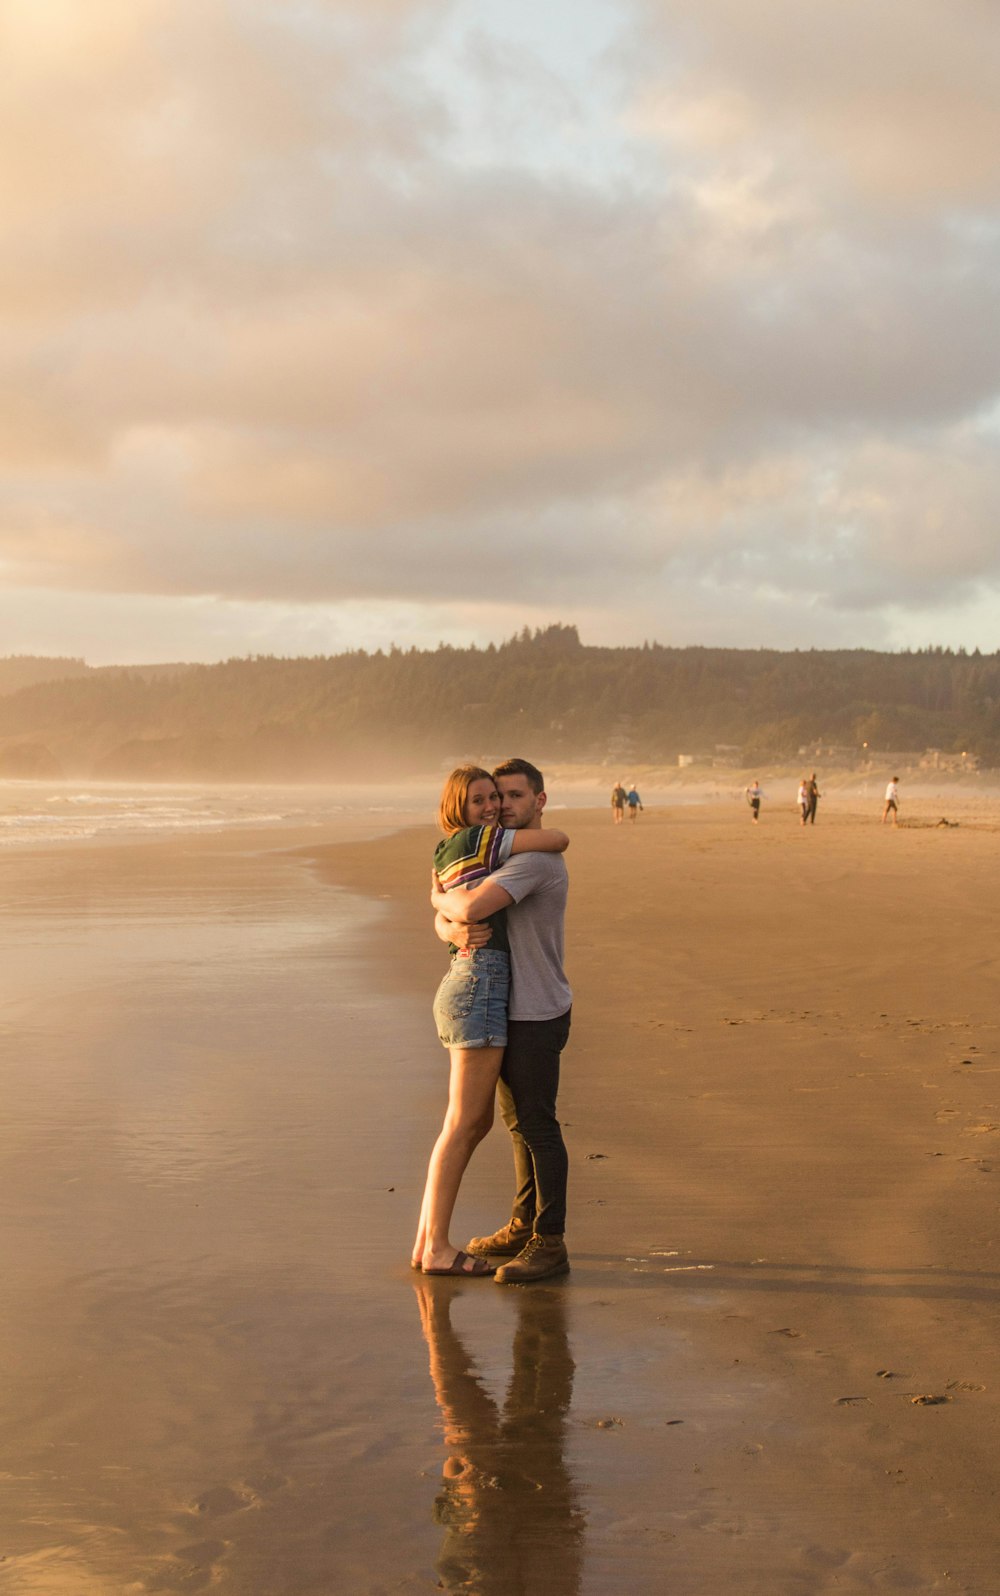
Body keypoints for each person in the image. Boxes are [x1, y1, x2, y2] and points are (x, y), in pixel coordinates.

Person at [412, 766, 569, 1277]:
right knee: (507, 1124)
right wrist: (445, 924)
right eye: (494, 797)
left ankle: (548, 1241)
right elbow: (460, 921)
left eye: (512, 795)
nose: (501, 805)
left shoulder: (533, 861)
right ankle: (520, 1226)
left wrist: (438, 901)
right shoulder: (495, 853)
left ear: (538, 800)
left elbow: (472, 905)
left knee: (534, 1127)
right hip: (497, 1000)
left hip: (533, 1008)